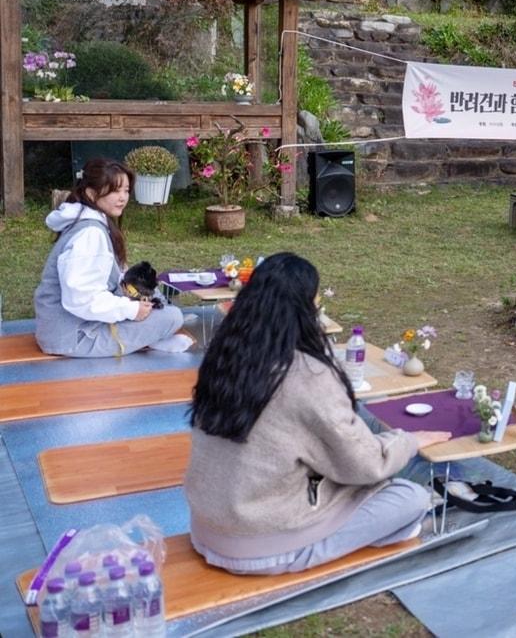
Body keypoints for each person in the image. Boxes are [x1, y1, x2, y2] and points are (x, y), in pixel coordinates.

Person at [185, 253, 449, 574]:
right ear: (306, 307)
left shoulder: (222, 356)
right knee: (411, 498)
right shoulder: (307, 375)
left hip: (205, 530)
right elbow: (365, 465)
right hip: (260, 545)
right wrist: (409, 440)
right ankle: (352, 540)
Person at [33, 157, 187, 357]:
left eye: (126, 190)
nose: (123, 197)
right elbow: (81, 299)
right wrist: (131, 310)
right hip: (73, 337)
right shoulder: (90, 233)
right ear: (91, 193)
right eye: (115, 190)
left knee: (156, 299)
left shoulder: (87, 222)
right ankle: (149, 340)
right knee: (172, 317)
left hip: (71, 328)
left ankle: (146, 339)